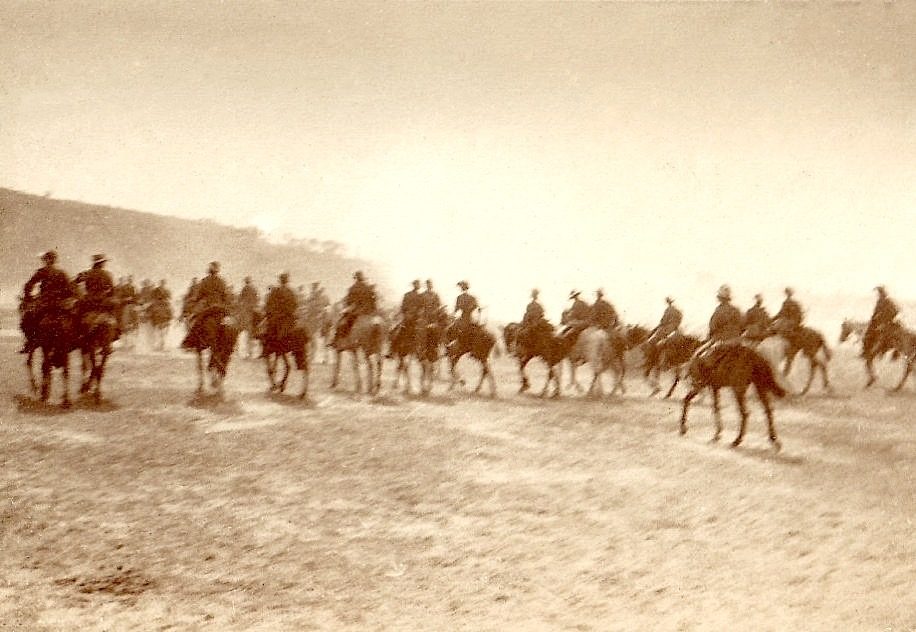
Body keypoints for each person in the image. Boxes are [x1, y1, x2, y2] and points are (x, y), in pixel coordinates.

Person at [20, 250, 74, 353]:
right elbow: (70, 290)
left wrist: (28, 296)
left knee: (27, 319)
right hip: (60, 304)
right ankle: (72, 341)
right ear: (55, 260)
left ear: (47, 260)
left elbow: (29, 285)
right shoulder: (62, 273)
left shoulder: (41, 272)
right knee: (72, 319)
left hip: (44, 303)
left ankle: (30, 342)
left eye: (45, 259)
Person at [181, 262, 231, 350]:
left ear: (209, 271)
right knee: (228, 324)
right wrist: (226, 309)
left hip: (208, 308)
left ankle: (188, 342)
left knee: (197, 322)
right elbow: (226, 296)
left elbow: (198, 296)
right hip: (220, 308)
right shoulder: (222, 281)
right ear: (217, 271)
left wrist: (192, 301)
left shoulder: (205, 281)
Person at [73, 254, 117, 340]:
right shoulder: (107, 274)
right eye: (104, 263)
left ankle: (78, 334)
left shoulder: (87, 273)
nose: (104, 264)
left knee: (78, 314)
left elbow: (74, 283)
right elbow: (112, 290)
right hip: (103, 301)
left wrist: (79, 294)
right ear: (101, 264)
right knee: (113, 313)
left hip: (89, 301)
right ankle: (116, 333)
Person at [335, 271, 377, 342]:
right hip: (369, 313)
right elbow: (374, 301)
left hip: (357, 312)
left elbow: (349, 302)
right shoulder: (368, 288)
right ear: (362, 278)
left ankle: (339, 341)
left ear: (356, 278)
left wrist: (349, 308)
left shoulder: (353, 288)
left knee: (341, 322)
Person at [863, 285, 899, 357]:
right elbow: (875, 313)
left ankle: (872, 350)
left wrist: (887, 318)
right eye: (879, 293)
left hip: (887, 322)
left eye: (879, 293)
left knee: (871, 333)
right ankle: (866, 351)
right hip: (880, 322)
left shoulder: (888, 301)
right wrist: (874, 319)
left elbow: (896, 311)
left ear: (883, 293)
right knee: (868, 333)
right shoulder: (880, 301)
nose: (879, 295)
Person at [264, 272, 299, 344]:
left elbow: (269, 304)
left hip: (277, 316)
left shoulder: (275, 291)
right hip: (288, 316)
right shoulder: (291, 291)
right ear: (287, 281)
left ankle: (267, 349)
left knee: (268, 330)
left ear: (280, 281)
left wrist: (270, 312)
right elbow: (295, 304)